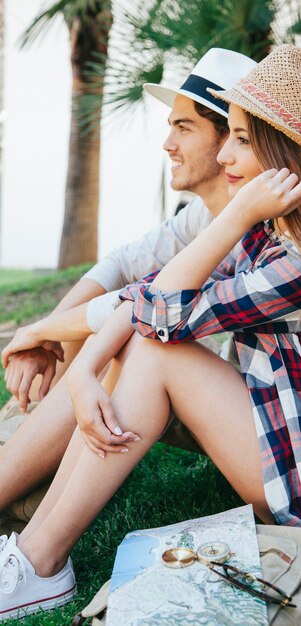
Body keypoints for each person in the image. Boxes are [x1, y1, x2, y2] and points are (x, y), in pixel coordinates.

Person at [1, 44, 301, 620]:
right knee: (148, 345)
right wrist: (87, 369)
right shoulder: (277, 227)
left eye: (240, 138)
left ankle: (42, 562)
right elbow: (147, 292)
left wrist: (235, 215)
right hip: (295, 445)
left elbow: (162, 315)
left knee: (159, 349)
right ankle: (31, 556)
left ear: (283, 149)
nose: (224, 153)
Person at [0, 48, 256, 534]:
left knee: (134, 337)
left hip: (273, 432)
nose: (167, 144)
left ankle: (26, 511)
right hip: (239, 406)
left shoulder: (259, 225)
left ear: (229, 140)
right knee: (109, 332)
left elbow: (145, 306)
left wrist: (39, 330)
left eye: (183, 128)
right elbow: (121, 266)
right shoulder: (205, 215)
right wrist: (47, 336)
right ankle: (24, 482)